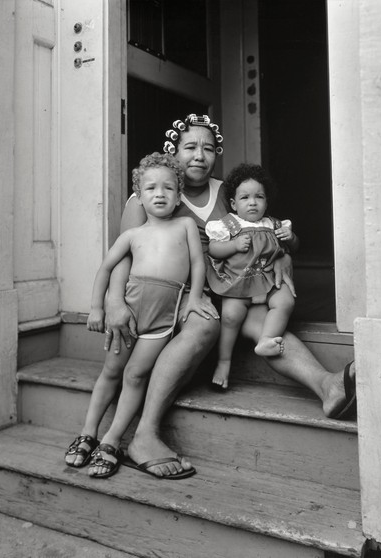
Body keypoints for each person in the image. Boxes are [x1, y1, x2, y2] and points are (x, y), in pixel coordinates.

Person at [103, 114, 356, 478]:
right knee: (205, 323)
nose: (199, 156)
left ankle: (328, 386)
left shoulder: (229, 191)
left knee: (264, 325)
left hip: (230, 290)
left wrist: (282, 255)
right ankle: (144, 434)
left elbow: (264, 228)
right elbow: (124, 256)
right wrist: (113, 301)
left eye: (207, 148)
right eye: (190, 147)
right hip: (174, 299)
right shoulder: (150, 194)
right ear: (173, 151)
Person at [65, 152, 212, 479]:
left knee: (135, 376)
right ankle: (88, 433)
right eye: (151, 189)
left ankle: (112, 441)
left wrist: (195, 299)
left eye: (168, 188)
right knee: (111, 371)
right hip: (131, 310)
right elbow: (105, 269)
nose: (159, 194)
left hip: (162, 320)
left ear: (178, 196)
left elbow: (198, 264)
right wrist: (97, 307)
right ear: (140, 198)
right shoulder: (132, 236)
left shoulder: (186, 225)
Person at [205, 163, 298, 390]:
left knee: (285, 300)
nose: (253, 202)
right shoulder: (228, 223)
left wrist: (291, 236)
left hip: (268, 280)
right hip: (239, 281)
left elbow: (294, 247)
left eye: (259, 197)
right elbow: (214, 250)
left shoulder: (274, 224)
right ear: (235, 204)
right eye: (245, 198)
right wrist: (233, 245)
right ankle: (224, 362)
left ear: (266, 202)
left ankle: (266, 339)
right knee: (230, 316)